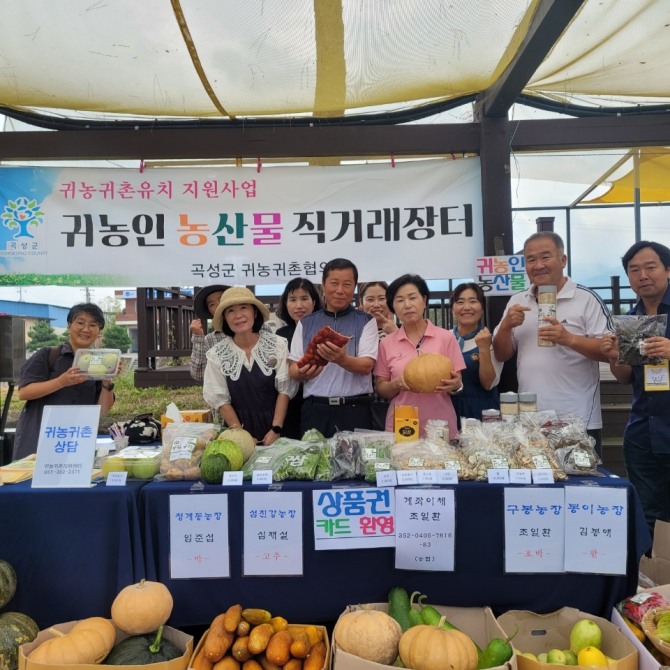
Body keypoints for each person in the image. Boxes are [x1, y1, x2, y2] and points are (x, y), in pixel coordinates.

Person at [492, 231, 613, 453]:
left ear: (563, 260)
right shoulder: (517, 300)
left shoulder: (586, 299)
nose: (538, 265)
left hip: (578, 419)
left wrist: (569, 339)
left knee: (580, 476)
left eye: (545, 257)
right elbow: (501, 354)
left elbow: (610, 352)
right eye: (531, 259)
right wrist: (506, 326)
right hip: (531, 421)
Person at [601, 241, 670, 537]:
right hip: (643, 433)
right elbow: (625, 377)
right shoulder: (631, 320)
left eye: (650, 267)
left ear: (668, 270)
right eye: (634, 270)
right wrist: (613, 357)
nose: (643, 275)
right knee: (648, 515)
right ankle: (654, 567)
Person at [12, 302, 116, 460]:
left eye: (93, 325)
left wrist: (107, 382)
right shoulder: (47, 355)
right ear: (69, 325)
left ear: (99, 330)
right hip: (38, 442)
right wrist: (61, 382)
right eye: (80, 323)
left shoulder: (97, 363)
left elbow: (102, 409)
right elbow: (24, 392)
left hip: (75, 443)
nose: (86, 329)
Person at [289, 258, 378, 437]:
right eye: (334, 283)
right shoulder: (306, 323)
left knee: (355, 456)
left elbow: (367, 365)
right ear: (323, 285)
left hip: (355, 409)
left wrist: (342, 359)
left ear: (354, 288)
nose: (340, 290)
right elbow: (293, 368)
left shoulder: (366, 321)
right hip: (315, 410)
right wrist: (303, 372)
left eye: (347, 284)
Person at [374, 274, 465, 440]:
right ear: (393, 307)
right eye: (399, 300)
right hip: (402, 425)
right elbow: (381, 388)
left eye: (412, 297)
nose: (407, 305)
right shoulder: (387, 343)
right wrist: (395, 384)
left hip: (440, 424)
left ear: (424, 300)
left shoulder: (446, 337)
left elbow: (457, 380)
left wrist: (456, 386)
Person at [203, 287, 297, 445]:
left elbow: (285, 390)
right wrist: (242, 437)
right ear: (225, 318)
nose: (238, 315)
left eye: (243, 308)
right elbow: (221, 402)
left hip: (280, 430)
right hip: (238, 433)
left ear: (255, 312)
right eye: (230, 311)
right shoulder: (216, 355)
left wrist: (276, 429)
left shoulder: (277, 345)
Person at [275, 278, 322, 439]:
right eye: (293, 300)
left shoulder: (323, 331)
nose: (299, 305)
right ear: (285, 303)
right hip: (288, 405)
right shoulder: (280, 335)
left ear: (314, 302)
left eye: (304, 298)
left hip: (316, 403)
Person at [450, 282, 502, 421]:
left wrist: (484, 348)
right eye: (460, 302)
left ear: (482, 308)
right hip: (449, 409)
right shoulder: (444, 338)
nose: (466, 307)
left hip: (483, 411)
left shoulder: (491, 339)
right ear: (452, 309)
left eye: (473, 301)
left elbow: (488, 384)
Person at [359, 281, 397, 430]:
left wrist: (396, 334)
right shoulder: (356, 333)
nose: (376, 304)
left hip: (394, 402)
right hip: (361, 404)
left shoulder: (402, 332)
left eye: (382, 298)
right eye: (370, 299)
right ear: (361, 304)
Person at [189, 284, 229, 383]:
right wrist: (198, 337)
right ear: (209, 311)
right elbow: (198, 374)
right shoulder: (210, 340)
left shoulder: (260, 328)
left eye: (221, 299)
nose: (218, 305)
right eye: (212, 304)